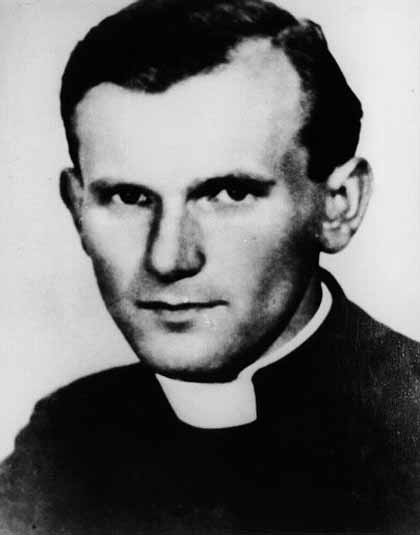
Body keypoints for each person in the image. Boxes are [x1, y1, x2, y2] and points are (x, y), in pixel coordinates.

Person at [1, 0, 420, 533]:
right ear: (77, 207)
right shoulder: (61, 439)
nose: (169, 258)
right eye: (129, 197)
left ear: (338, 206)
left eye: (228, 193)